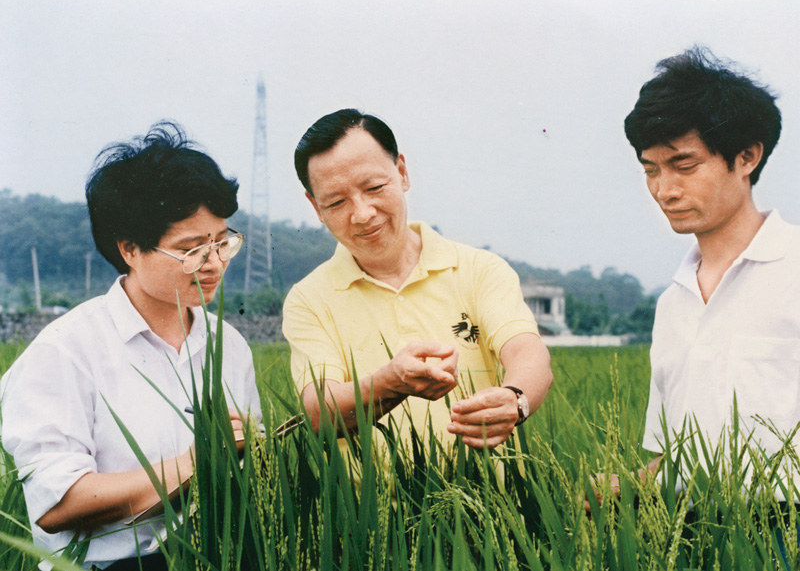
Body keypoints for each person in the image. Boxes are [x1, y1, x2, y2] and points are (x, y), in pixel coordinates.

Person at [1, 122, 262, 570]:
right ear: (130, 249)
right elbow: (56, 504)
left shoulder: (228, 344)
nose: (215, 263)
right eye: (191, 250)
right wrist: (193, 463)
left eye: (223, 243)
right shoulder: (65, 351)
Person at [283, 109, 553, 451]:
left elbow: (529, 355)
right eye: (336, 202)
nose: (363, 214)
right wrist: (390, 382)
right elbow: (319, 412)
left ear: (402, 172)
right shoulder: (309, 299)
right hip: (369, 505)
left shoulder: (479, 269)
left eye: (375, 187)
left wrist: (514, 398)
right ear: (316, 207)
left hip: (489, 497)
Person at [595, 47, 790, 502]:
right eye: (651, 170)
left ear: (746, 157)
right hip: (696, 536)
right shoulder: (673, 304)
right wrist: (627, 487)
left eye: (684, 166)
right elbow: (679, 457)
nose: (664, 190)